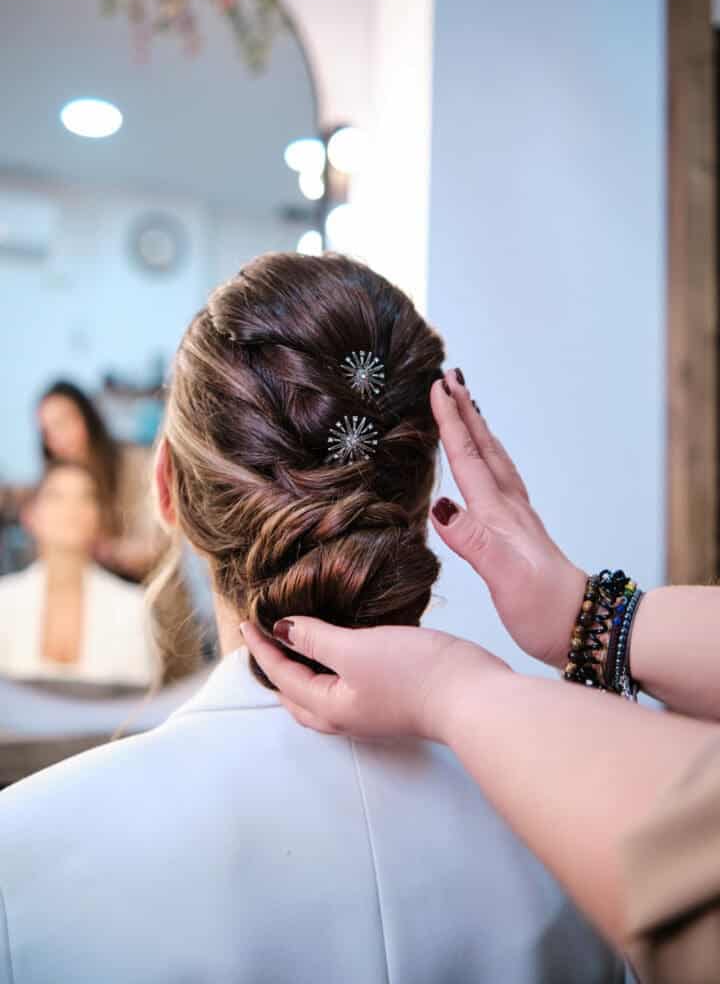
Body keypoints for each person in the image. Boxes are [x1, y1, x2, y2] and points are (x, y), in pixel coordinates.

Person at [0, 255, 622, 983]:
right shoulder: (589, 831)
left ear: (168, 490)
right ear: (421, 504)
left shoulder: (27, 850)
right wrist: (602, 624)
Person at [243, 367, 720, 984]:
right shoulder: (552, 869)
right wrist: (589, 616)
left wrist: (453, 689)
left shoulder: (79, 833)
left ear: (169, 486)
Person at [0, 462, 158, 686]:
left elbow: (137, 706)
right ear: (30, 517)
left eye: (85, 497)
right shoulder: (4, 601)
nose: (72, 508)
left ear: (98, 517)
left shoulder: (133, 607)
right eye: (57, 497)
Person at [37, 380, 162, 581]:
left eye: (63, 423)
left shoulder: (135, 465)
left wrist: (105, 550)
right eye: (47, 431)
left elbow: (156, 545)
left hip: (146, 591)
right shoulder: (56, 486)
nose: (57, 438)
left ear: (87, 417)